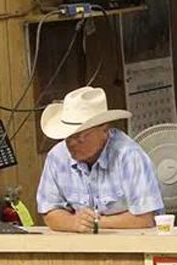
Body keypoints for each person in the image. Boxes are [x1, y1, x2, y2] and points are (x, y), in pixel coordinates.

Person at [36, 86, 163, 233]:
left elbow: (145, 218)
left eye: (79, 137)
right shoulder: (57, 157)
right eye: (67, 137)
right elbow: (49, 212)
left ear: (104, 130)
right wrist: (73, 223)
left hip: (129, 243)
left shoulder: (129, 156)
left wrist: (95, 223)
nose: (71, 143)